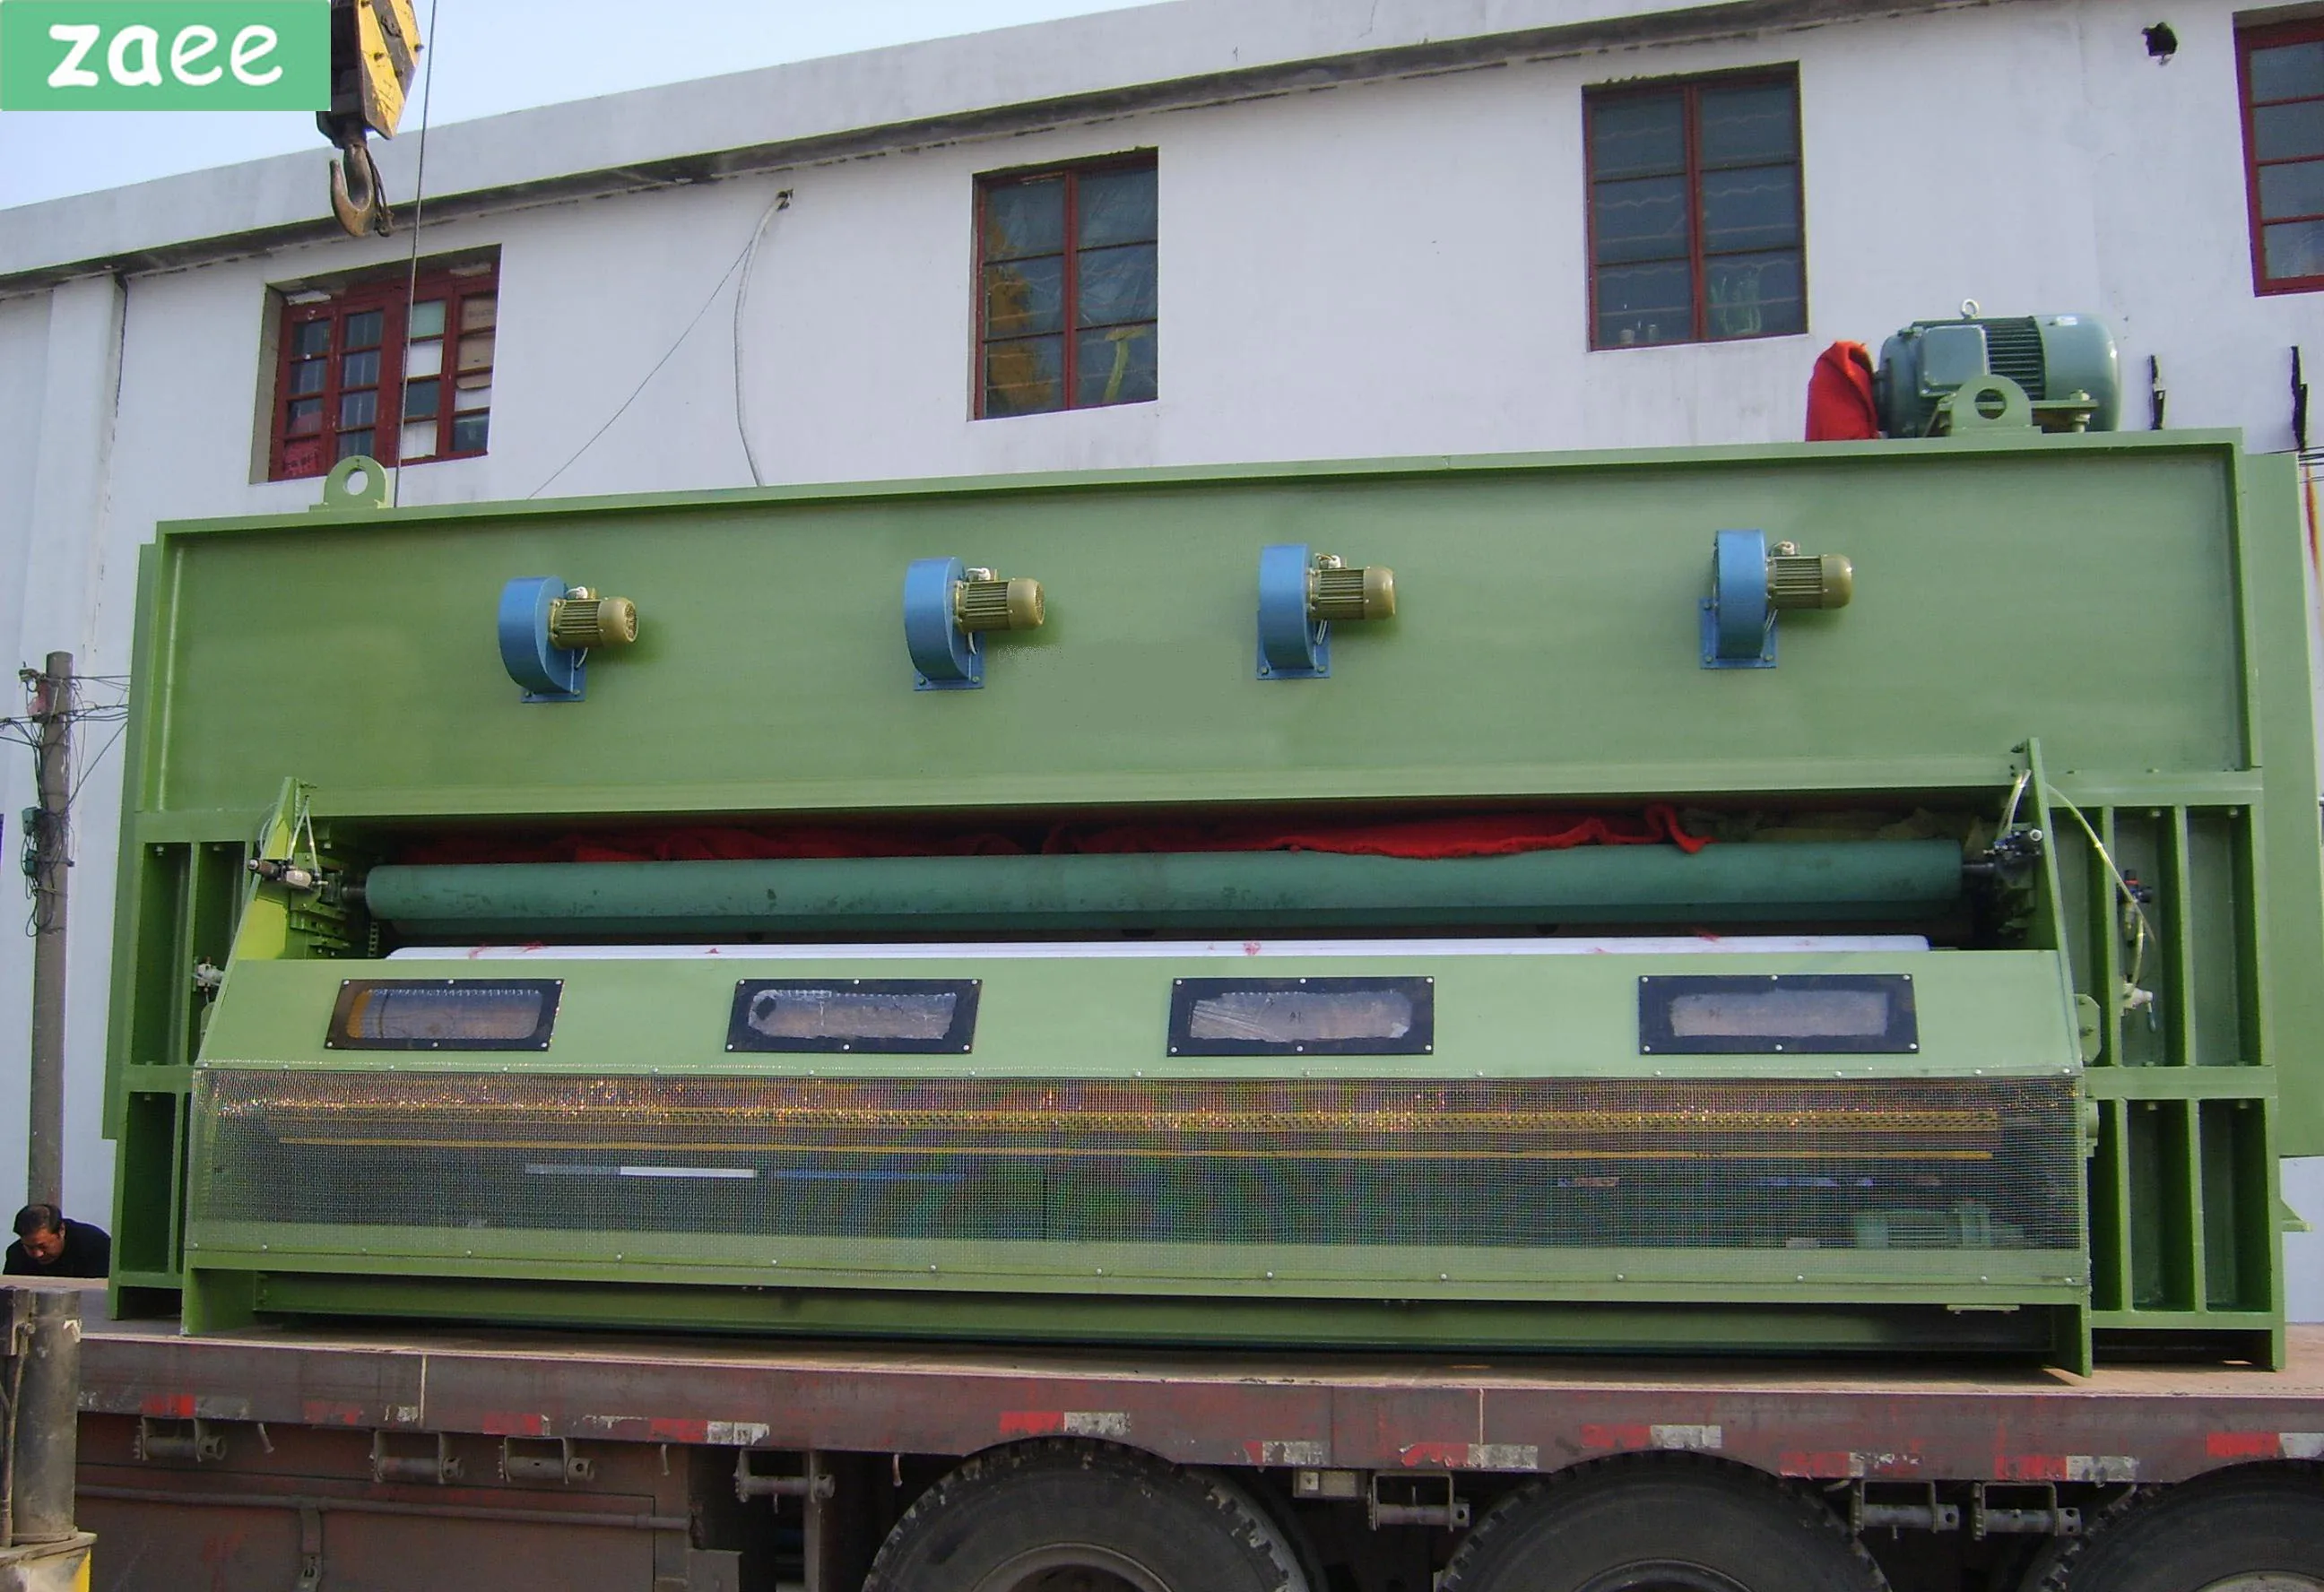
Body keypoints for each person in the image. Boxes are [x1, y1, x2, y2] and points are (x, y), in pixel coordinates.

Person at [4, 1204, 109, 1278]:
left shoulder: (96, 1246)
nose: (37, 1254)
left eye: (43, 1246)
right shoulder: (16, 1254)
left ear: (61, 1231)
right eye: (29, 1247)